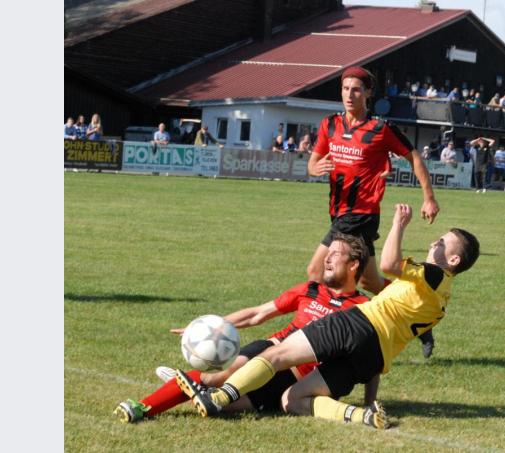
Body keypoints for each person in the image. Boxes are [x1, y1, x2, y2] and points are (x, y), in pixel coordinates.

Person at [175, 204, 480, 429]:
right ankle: (361, 416)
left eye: (441, 243)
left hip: (357, 324)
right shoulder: (442, 300)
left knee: (276, 353)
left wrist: (399, 223)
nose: (433, 242)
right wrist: (370, 399)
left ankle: (219, 398)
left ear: (453, 259)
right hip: (374, 357)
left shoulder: (434, 275)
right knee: (291, 401)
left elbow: (388, 263)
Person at [113, 234, 372, 423]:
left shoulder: (364, 308)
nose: (326, 258)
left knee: (221, 406)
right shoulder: (310, 289)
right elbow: (258, 313)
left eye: (335, 254)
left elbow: (371, 358)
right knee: (212, 378)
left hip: (295, 378)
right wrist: (209, 328)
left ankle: (183, 383)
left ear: (353, 264)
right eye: (328, 254)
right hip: (269, 351)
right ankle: (142, 407)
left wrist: (371, 402)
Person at [305, 66, 440, 298]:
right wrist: (314, 168)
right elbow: (313, 162)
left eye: (356, 90)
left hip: (360, 213)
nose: (349, 95)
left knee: (317, 272)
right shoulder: (329, 125)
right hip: (338, 211)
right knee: (370, 282)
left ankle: (318, 327)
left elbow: (414, 157)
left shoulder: (381, 129)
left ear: (368, 93)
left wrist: (429, 198)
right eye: (345, 89)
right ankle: (416, 303)